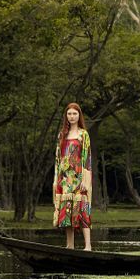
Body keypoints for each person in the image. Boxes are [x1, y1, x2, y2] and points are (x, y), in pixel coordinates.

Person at [53, 102, 92, 249]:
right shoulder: (62, 135)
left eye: (75, 114)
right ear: (66, 116)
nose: (72, 116)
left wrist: (86, 180)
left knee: (82, 209)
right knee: (67, 212)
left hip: (79, 177)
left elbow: (87, 158)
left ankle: (88, 245)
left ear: (79, 115)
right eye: (69, 114)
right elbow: (58, 159)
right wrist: (57, 180)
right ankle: (70, 245)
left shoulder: (83, 134)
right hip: (65, 179)